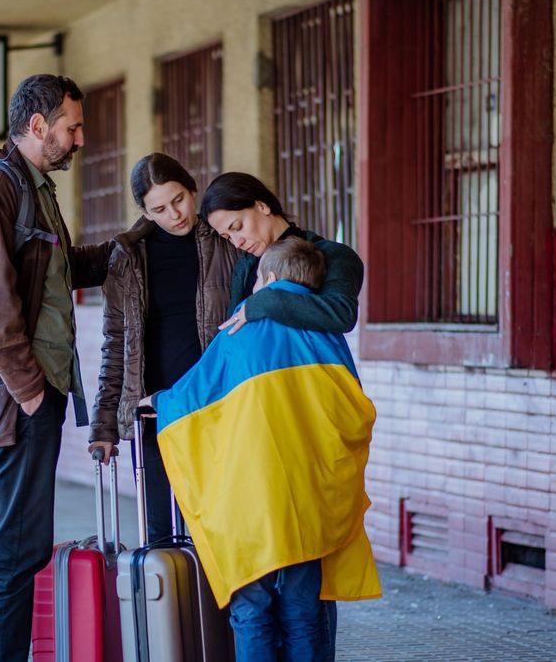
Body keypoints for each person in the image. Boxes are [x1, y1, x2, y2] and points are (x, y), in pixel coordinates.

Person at [140, 237, 382, 662]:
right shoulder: (325, 335)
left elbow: (196, 394)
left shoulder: (243, 327)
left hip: (249, 502)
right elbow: (353, 409)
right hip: (307, 503)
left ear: (267, 279)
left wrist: (159, 401)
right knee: (304, 612)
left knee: (251, 612)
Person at [0, 73, 113, 662]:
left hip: (18, 396)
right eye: (72, 127)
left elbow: (58, 270)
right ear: (38, 125)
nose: (80, 139)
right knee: (19, 550)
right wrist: (33, 393)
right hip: (17, 399)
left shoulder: (31, 183)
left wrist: (128, 248)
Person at [86, 152, 237, 543]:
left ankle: (216, 608)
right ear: (145, 211)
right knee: (160, 536)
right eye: (160, 208)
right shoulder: (128, 258)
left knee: (221, 533)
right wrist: (103, 424)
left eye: (179, 200)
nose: (175, 214)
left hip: (216, 408)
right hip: (153, 414)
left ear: (192, 188)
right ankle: (170, 607)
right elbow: (116, 343)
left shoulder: (226, 243)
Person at [199, 171, 364, 338]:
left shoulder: (332, 254)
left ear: (262, 206)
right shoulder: (245, 267)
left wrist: (262, 302)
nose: (236, 242)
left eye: (237, 227)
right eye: (227, 237)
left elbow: (342, 314)